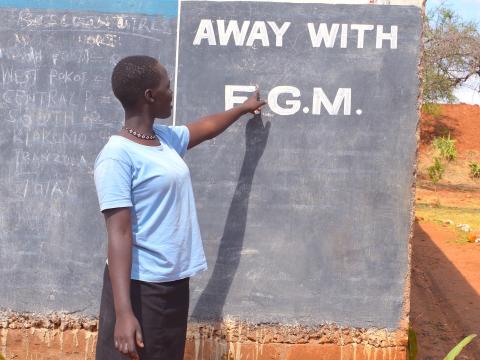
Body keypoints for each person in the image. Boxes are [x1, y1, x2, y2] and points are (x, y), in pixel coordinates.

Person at [93, 55, 266, 360]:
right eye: (167, 87)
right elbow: (118, 234)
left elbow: (205, 127)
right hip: (138, 288)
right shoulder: (117, 156)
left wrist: (241, 109)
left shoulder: (162, 140)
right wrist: (123, 313)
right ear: (149, 96)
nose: (171, 93)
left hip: (170, 285)